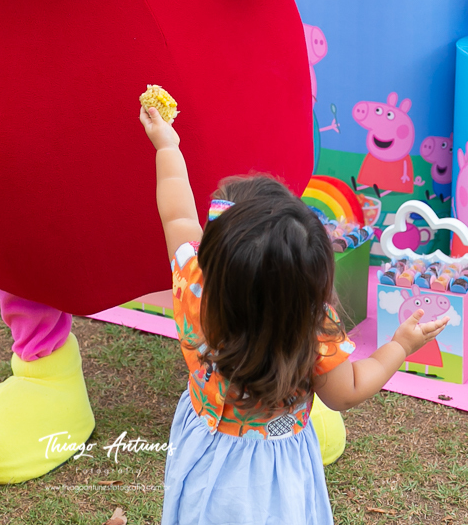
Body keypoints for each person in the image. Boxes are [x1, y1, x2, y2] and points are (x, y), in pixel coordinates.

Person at [140, 104, 449, 525]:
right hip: (273, 474)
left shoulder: (196, 283)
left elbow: (176, 214)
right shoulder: (311, 328)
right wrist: (401, 345)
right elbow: (346, 392)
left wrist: (168, 146)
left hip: (203, 449)